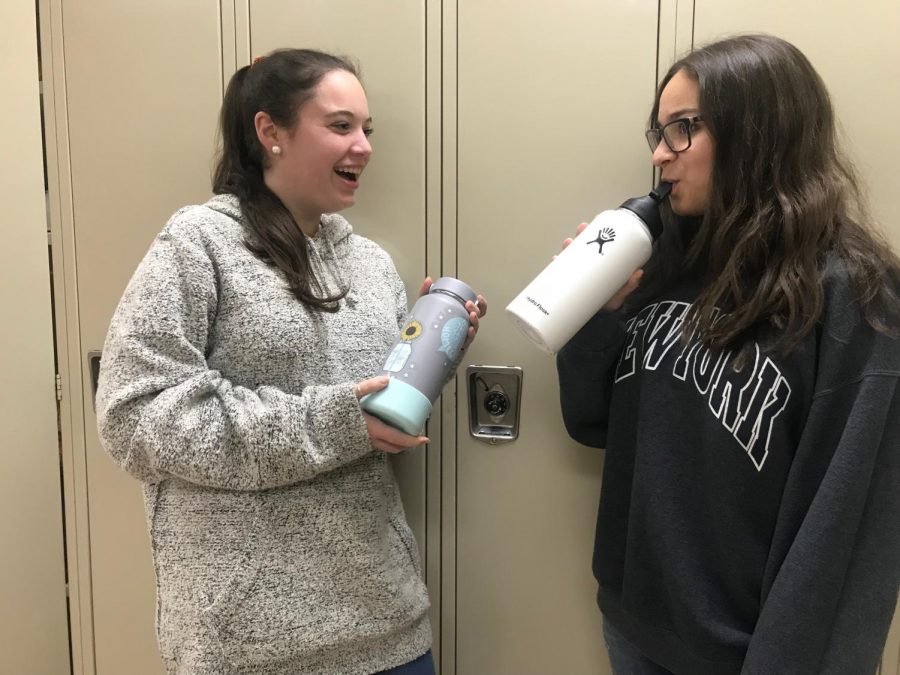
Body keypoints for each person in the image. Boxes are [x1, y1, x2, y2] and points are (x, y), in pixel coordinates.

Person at [96, 48, 485, 675]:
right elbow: (135, 420)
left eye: (366, 129)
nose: (362, 146)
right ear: (270, 132)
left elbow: (378, 409)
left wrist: (433, 351)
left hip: (387, 624)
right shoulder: (198, 245)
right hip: (249, 646)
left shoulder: (373, 264)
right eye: (340, 126)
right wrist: (335, 423)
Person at [556, 34, 900, 675]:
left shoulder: (857, 294)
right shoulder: (664, 259)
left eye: (685, 129)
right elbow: (592, 422)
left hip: (750, 654)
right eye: (660, 131)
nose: (660, 154)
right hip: (634, 626)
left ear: (761, 134)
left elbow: (849, 532)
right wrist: (594, 315)